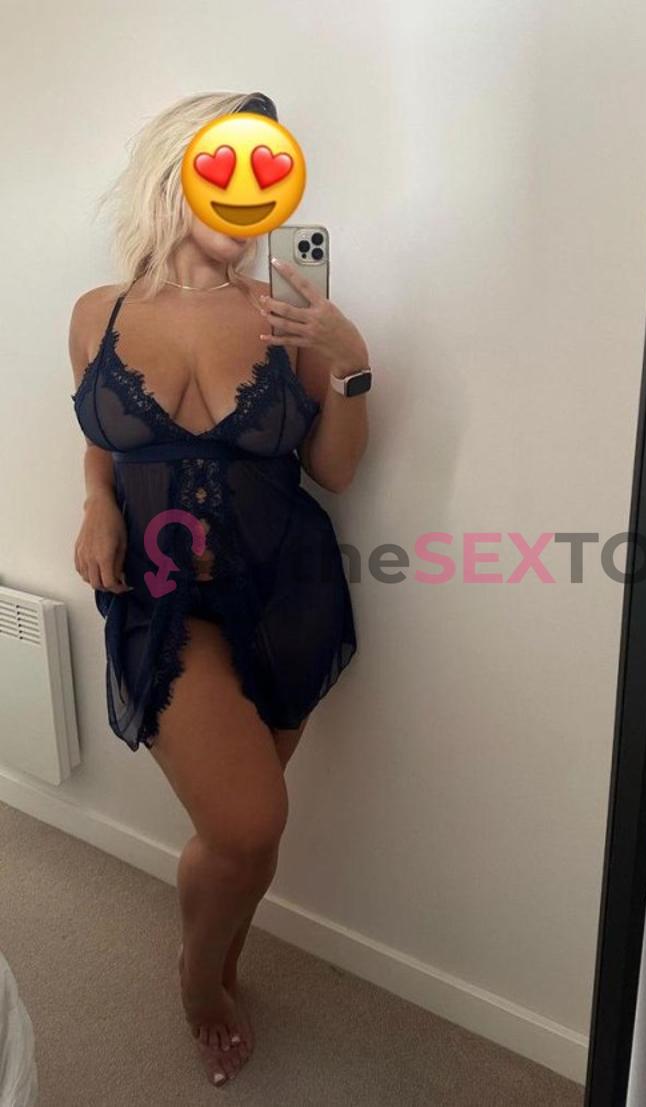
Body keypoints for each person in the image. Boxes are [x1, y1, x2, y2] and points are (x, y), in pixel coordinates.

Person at [68, 91, 370, 1087]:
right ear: (176, 171)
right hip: (163, 596)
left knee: (248, 830)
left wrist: (352, 368)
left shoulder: (291, 318)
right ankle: (200, 979)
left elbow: (334, 471)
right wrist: (96, 502)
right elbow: (101, 434)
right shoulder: (98, 314)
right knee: (245, 824)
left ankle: (225, 957)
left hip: (286, 591)